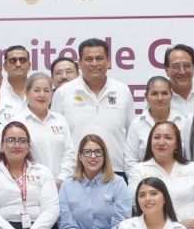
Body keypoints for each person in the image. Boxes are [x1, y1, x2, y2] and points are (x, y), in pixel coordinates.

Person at [52, 38, 134, 179]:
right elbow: (56, 137)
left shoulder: (123, 91)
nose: (94, 63)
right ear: (80, 63)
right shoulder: (63, 93)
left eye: (99, 58)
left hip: (116, 171)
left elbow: (131, 135)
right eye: (89, 59)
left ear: (108, 62)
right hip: (75, 172)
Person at [127, 121, 194, 229]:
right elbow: (139, 205)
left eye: (168, 138)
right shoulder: (139, 170)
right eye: (156, 137)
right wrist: (177, 225)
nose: (161, 142)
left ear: (177, 144)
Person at [124, 76, 186, 172]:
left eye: (164, 93)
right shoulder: (137, 124)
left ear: (171, 95)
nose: (160, 98)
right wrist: (143, 180)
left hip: (179, 178)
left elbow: (189, 159)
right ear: (146, 97)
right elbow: (130, 163)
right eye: (154, 93)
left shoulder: (183, 122)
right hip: (144, 179)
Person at [16, 73, 70, 180]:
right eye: (36, 90)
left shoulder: (60, 120)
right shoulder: (18, 122)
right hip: (29, 183)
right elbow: (15, 157)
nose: (42, 95)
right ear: (27, 93)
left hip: (61, 183)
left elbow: (69, 153)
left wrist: (61, 179)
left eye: (46, 90)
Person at [163, 44, 194, 116]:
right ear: (166, 70)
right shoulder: (160, 95)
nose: (182, 72)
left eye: (187, 65)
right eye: (176, 66)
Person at [0, 45, 33, 118]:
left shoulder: (39, 91)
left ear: (29, 65)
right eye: (13, 61)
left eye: (22, 60)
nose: (18, 64)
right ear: (5, 66)